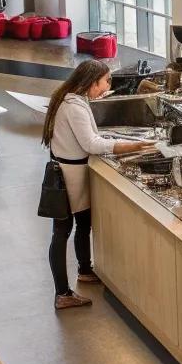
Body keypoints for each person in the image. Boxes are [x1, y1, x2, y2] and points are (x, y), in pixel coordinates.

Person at [42, 61, 152, 312]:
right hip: (69, 177)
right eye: (105, 82)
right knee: (62, 232)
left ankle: (84, 269)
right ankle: (62, 293)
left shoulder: (70, 99)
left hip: (72, 173)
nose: (106, 88)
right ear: (92, 82)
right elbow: (91, 144)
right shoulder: (75, 108)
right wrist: (128, 145)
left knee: (82, 223)